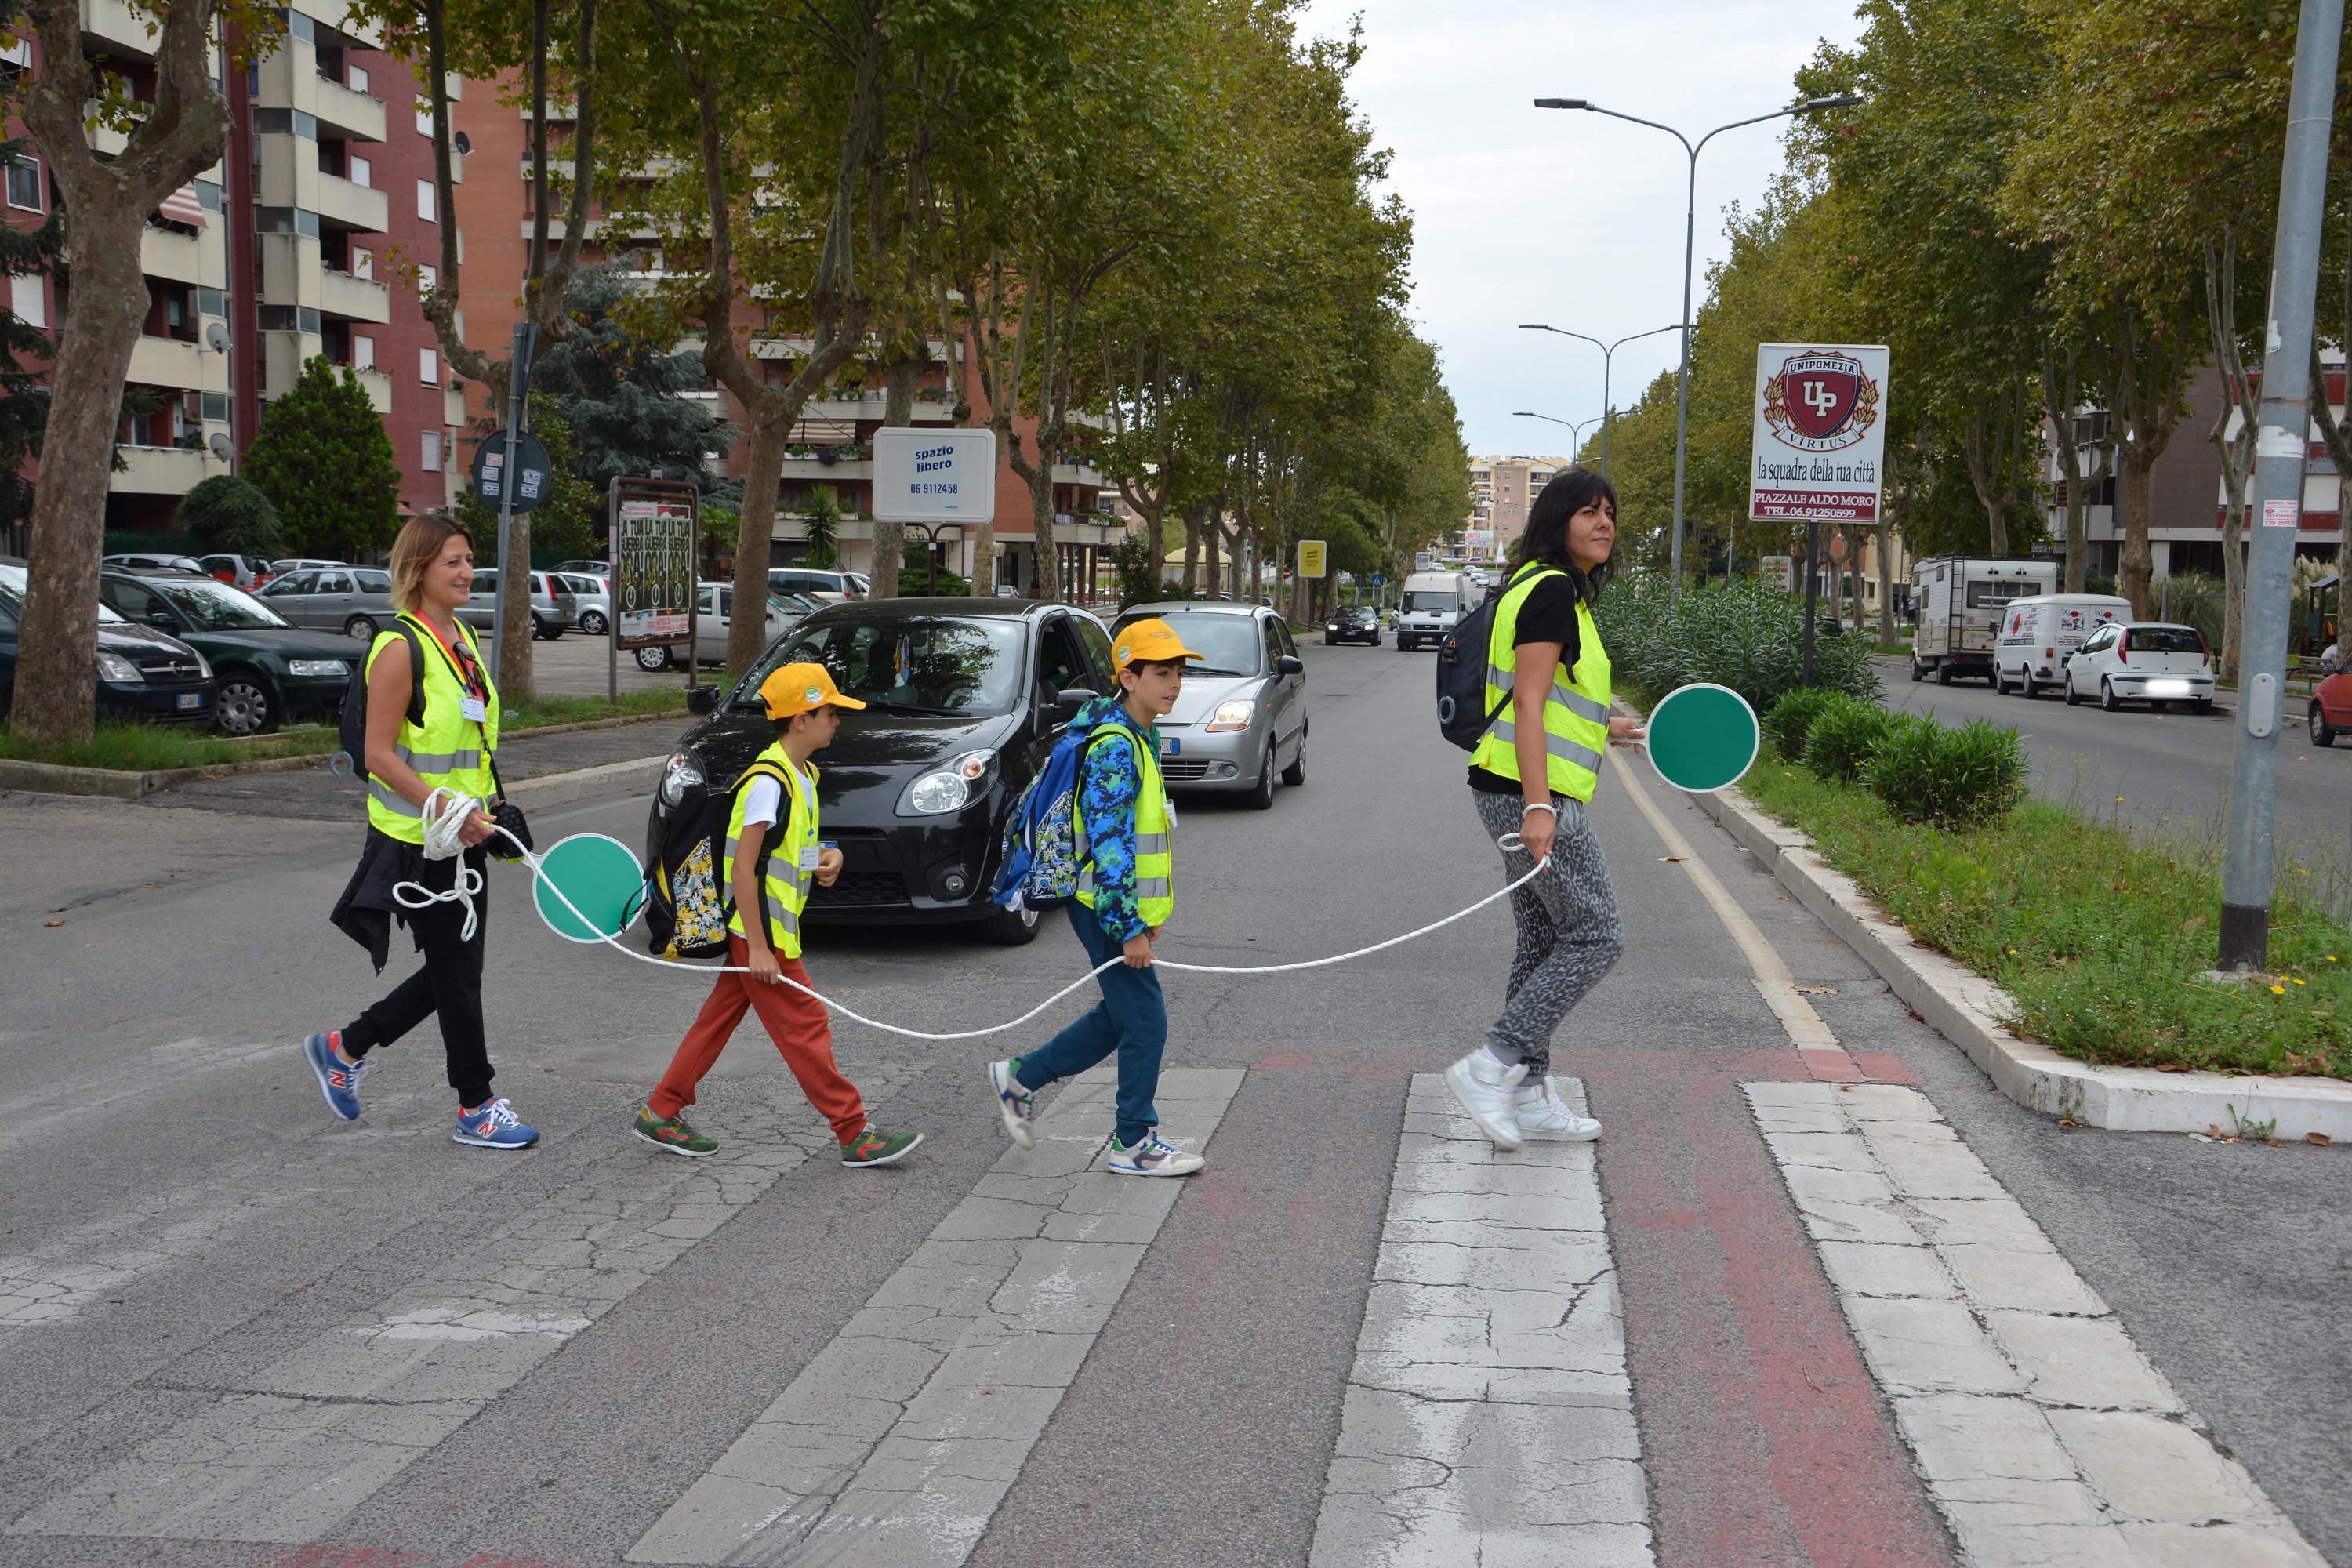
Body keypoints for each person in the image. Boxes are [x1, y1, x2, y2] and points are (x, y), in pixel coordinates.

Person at [307, 512, 539, 1149]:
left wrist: (493, 811)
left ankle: (345, 1046)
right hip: (420, 838)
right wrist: (452, 811)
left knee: (454, 968)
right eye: (453, 563)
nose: (468, 573)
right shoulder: (398, 646)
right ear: (418, 571)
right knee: (458, 974)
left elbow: (467, 742)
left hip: (462, 832)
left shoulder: (458, 638)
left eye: (469, 561)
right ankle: (476, 1107)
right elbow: (379, 754)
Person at [632, 662, 923, 1167]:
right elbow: (743, 869)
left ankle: (661, 1110)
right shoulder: (768, 782)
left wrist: (827, 858)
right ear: (801, 718)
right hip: (760, 931)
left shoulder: (801, 773)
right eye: (830, 712)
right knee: (806, 1025)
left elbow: (781, 853)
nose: (838, 720)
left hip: (766, 929)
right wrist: (761, 948)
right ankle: (854, 1133)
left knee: (718, 1019)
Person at [1447, 470, 1644, 1151]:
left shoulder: (1541, 587)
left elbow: (1550, 699)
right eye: (1588, 511)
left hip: (1508, 785)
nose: (1604, 523)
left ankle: (1528, 1094)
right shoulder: (1553, 589)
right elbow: (1527, 704)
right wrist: (1539, 808)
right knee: (1598, 934)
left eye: (1610, 512)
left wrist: (1607, 727)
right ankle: (1493, 1064)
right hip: (1534, 796)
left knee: (1542, 939)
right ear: (1557, 520)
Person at [987, 619, 1205, 1176]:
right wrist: (1128, 924)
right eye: (1161, 673)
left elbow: (1139, 838)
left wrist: (1144, 915)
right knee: (1148, 1023)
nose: (1174, 683)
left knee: (1121, 1018)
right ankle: (1132, 1143)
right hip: (1104, 907)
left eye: (1178, 672)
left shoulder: (1137, 733)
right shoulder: (1115, 746)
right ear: (1127, 677)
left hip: (1115, 907)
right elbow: (1110, 845)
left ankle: (1021, 1077)